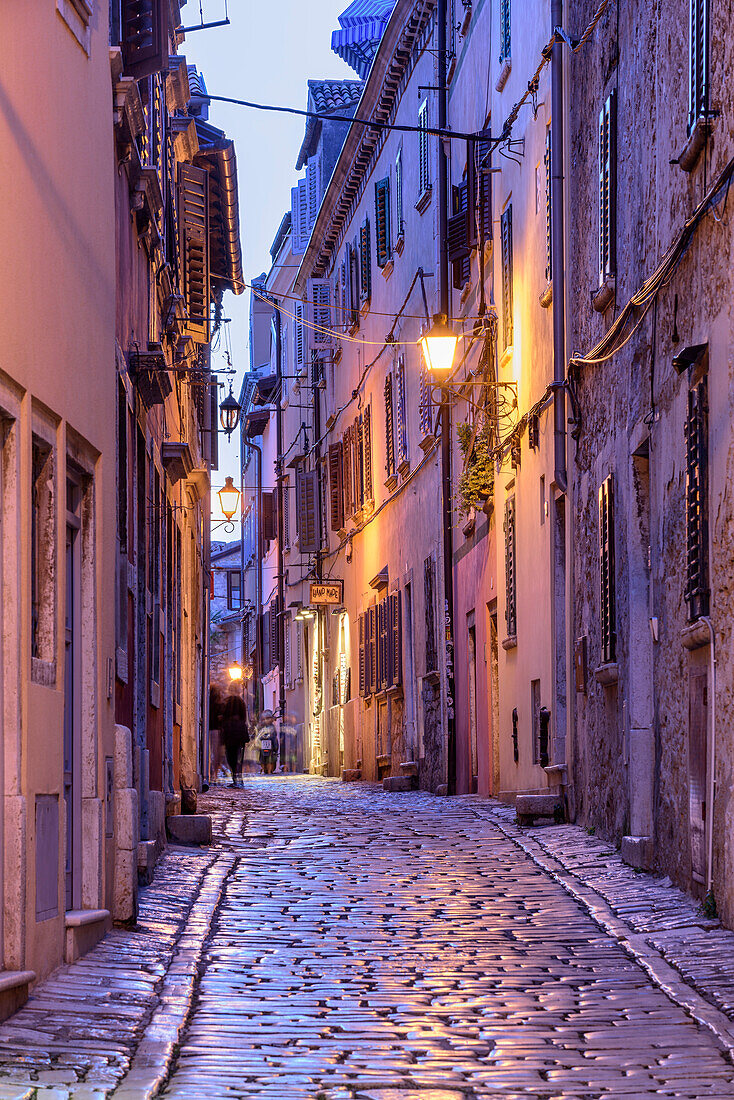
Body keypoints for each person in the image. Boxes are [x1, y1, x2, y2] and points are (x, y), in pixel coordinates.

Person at [220, 691, 249, 787]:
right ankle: (239, 780)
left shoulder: (228, 717)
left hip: (231, 737)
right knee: (238, 759)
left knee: (231, 759)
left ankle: (236, 780)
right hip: (240, 736)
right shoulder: (240, 705)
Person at [209, 685, 224, 781]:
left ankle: (211, 774)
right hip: (216, 730)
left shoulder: (207, 704)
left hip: (208, 729)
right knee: (216, 753)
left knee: (210, 753)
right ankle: (214, 774)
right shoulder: (220, 705)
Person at [256, 710, 279, 775]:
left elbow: (274, 736)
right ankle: (264, 770)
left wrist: (275, 747)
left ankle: (268, 770)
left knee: (269, 757)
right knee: (263, 757)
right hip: (264, 743)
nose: (266, 720)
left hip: (269, 743)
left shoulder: (271, 727)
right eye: (264, 719)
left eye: (268, 718)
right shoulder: (261, 726)